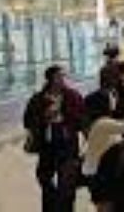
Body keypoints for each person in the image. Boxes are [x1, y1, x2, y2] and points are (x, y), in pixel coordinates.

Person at [23, 65, 85, 212]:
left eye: (64, 76)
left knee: (68, 182)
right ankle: (51, 205)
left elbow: (82, 117)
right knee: (44, 177)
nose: (63, 79)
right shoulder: (38, 99)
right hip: (47, 144)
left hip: (67, 144)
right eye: (59, 76)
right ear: (51, 79)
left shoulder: (73, 96)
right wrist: (44, 116)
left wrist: (65, 118)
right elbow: (27, 120)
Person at [81, 88, 124, 194]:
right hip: (102, 174)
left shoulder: (99, 123)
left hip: (100, 172)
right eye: (111, 99)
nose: (114, 102)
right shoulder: (103, 123)